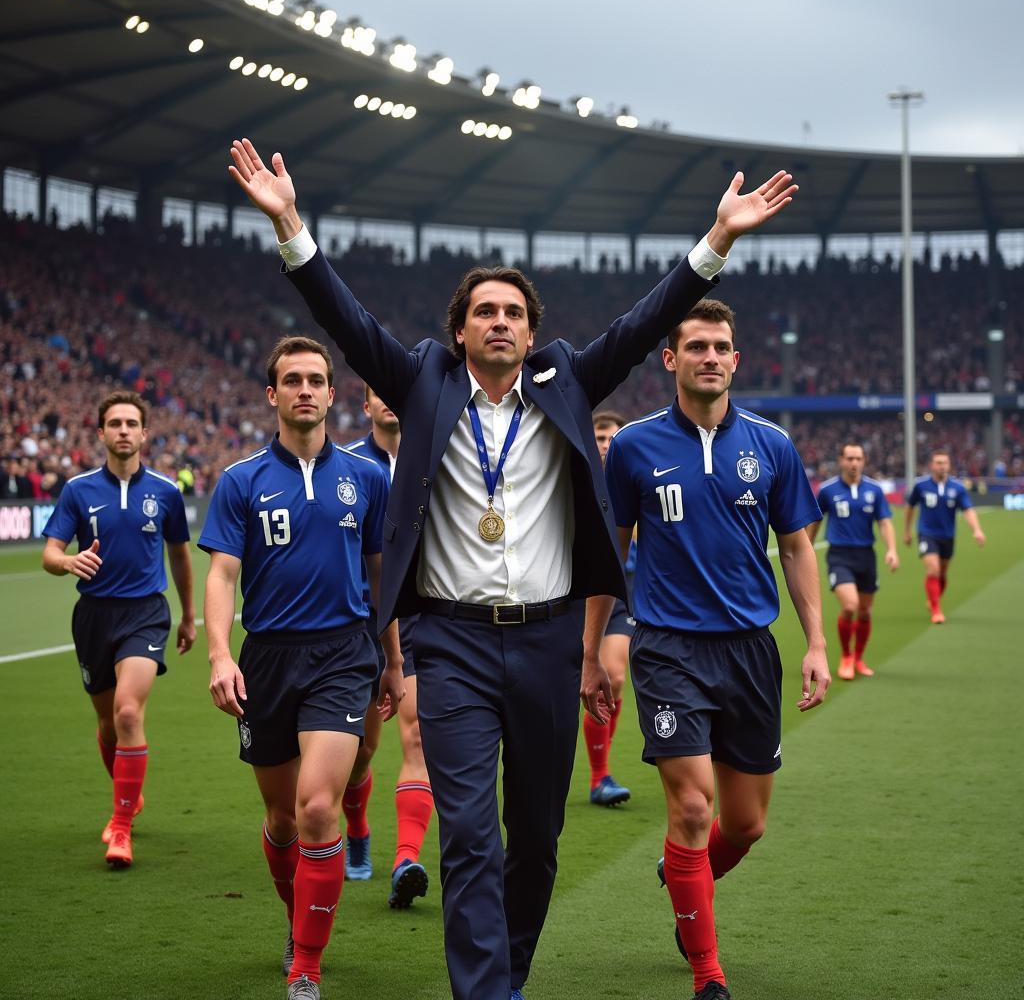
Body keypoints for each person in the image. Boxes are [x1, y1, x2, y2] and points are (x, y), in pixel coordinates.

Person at [228, 135, 797, 1000]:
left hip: (546, 640)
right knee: (469, 836)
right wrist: (290, 227)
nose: (500, 323)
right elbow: (346, 320)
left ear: (532, 332)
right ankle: (485, 993)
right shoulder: (422, 379)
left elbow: (647, 326)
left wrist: (716, 242)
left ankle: (510, 973)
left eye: (514, 314)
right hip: (450, 643)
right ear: (460, 331)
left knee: (534, 839)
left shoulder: (566, 379)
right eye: (484, 312)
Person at [604, 298, 830, 1000]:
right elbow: (609, 555)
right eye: (695, 346)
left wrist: (817, 642)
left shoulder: (772, 446)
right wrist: (596, 648)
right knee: (693, 811)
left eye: (721, 346)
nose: (709, 356)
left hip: (750, 651)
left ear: (736, 358)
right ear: (670, 359)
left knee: (747, 824)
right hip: (668, 647)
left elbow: (796, 546)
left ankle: (684, 881)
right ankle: (709, 975)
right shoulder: (635, 447)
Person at [199, 336, 403, 1000]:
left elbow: (382, 576)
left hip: (344, 655)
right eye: (293, 381)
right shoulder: (241, 480)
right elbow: (223, 573)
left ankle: (306, 965)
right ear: (273, 395)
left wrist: (393, 659)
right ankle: (299, 920)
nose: (307, 390)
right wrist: (221, 653)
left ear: (331, 393)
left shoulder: (366, 478)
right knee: (284, 819)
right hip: (267, 659)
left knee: (319, 807)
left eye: (317, 379)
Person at [40, 390, 196, 868]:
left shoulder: (167, 492)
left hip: (145, 612)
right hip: (93, 617)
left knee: (129, 713)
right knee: (108, 724)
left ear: (144, 433)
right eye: (115, 423)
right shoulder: (78, 490)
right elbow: (49, 554)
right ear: (102, 433)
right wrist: (68, 561)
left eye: (132, 423)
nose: (124, 430)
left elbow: (179, 556)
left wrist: (189, 615)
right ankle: (129, 796)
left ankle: (121, 828)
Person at [341, 385, 434, 909]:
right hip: (361, 625)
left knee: (418, 736)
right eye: (381, 392)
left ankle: (405, 859)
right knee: (362, 752)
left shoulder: (440, 458)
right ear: (366, 405)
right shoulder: (348, 465)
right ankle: (357, 831)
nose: (392, 400)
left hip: (423, 618)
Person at [807, 442, 899, 680]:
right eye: (849, 458)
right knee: (850, 606)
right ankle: (846, 656)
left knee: (865, 611)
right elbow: (815, 520)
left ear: (864, 461)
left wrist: (892, 550)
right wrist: (806, 550)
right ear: (841, 461)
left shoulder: (874, 490)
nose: (854, 463)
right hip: (839, 555)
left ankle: (858, 657)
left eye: (858, 459)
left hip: (866, 556)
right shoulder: (827, 490)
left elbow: (885, 522)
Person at [584, 411, 636, 807]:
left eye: (612, 437)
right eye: (600, 436)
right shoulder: (574, 472)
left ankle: (600, 776)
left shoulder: (635, 476)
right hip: (566, 592)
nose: (606, 443)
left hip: (618, 592)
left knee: (614, 677)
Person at [903, 449, 985, 624]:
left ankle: (933, 598)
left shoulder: (957, 488)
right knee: (933, 569)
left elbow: (968, 510)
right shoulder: (921, 486)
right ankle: (936, 610)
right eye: (938, 463)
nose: (942, 466)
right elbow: (910, 508)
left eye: (945, 463)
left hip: (947, 536)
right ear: (932, 465)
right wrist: (907, 531)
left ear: (949, 465)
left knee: (942, 573)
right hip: (926, 534)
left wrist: (976, 529)